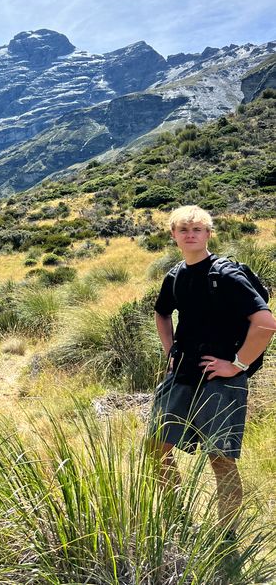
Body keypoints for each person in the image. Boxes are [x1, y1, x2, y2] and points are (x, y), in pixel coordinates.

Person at [149, 205, 276, 533]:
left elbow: (265, 323)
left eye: (197, 229)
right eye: (183, 229)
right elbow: (162, 314)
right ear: (174, 235)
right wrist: (170, 350)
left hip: (221, 378)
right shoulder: (175, 275)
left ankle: (226, 536)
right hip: (182, 372)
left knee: (220, 458)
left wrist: (238, 365)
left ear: (208, 234)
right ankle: (177, 521)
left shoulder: (226, 275)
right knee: (155, 448)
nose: (190, 234)